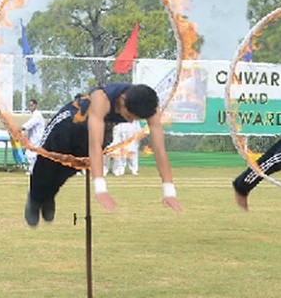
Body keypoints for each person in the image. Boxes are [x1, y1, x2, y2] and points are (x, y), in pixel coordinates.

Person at [25, 83, 182, 227]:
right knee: (46, 163)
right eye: (129, 116)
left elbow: (159, 149)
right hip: (68, 124)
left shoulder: (151, 108)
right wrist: (100, 189)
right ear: (122, 100)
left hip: (89, 133)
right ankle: (35, 199)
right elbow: (95, 145)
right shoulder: (101, 99)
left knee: (68, 169)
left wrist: (169, 190)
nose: (130, 121)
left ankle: (49, 196)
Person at [21, 99, 45, 174]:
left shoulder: (37, 115)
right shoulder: (32, 115)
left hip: (37, 138)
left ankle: (33, 170)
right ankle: (33, 170)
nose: (30, 107)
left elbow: (29, 124)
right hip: (33, 138)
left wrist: (21, 128)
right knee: (29, 154)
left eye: (32, 105)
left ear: (35, 105)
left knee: (32, 154)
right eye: (29, 106)